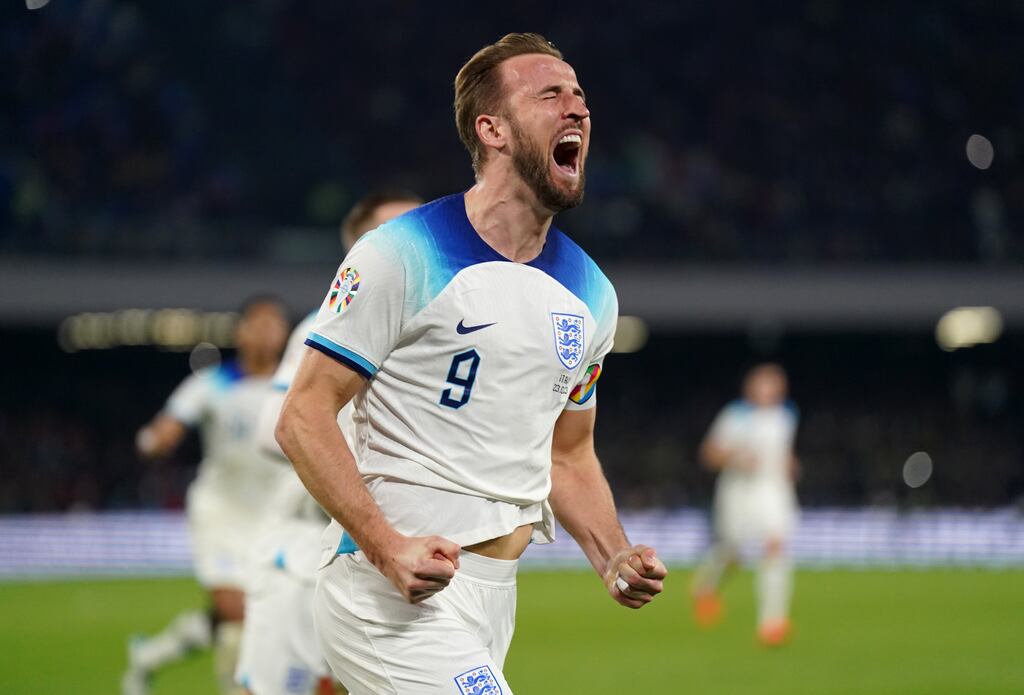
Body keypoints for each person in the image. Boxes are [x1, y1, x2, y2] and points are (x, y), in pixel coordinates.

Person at [276, 33, 667, 694]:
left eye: (580, 97)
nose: (577, 110)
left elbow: (568, 454)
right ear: (493, 130)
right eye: (551, 95)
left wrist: (612, 552)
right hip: (386, 590)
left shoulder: (593, 293)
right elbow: (303, 414)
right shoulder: (401, 252)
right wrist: (385, 544)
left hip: (491, 598)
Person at [235, 190, 422, 695]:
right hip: (299, 550)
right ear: (359, 250)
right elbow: (275, 430)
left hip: (372, 550)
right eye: (394, 233)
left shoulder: (430, 337)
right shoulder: (328, 326)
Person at [122, 297, 291, 695]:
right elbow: (169, 425)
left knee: (255, 616)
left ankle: (151, 656)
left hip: (275, 516)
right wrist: (154, 441)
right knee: (237, 612)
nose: (267, 331)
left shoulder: (296, 383)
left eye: (275, 323)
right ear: (241, 332)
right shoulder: (212, 383)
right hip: (222, 513)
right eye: (259, 323)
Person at [691, 363, 800, 646]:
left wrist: (790, 465)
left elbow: (783, 452)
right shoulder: (735, 415)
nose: (769, 390)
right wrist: (738, 459)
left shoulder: (786, 416)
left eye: (774, 384)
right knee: (733, 551)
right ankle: (705, 586)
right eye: (763, 384)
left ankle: (773, 622)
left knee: (776, 546)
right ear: (751, 387)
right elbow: (709, 454)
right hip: (738, 490)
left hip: (773, 490)